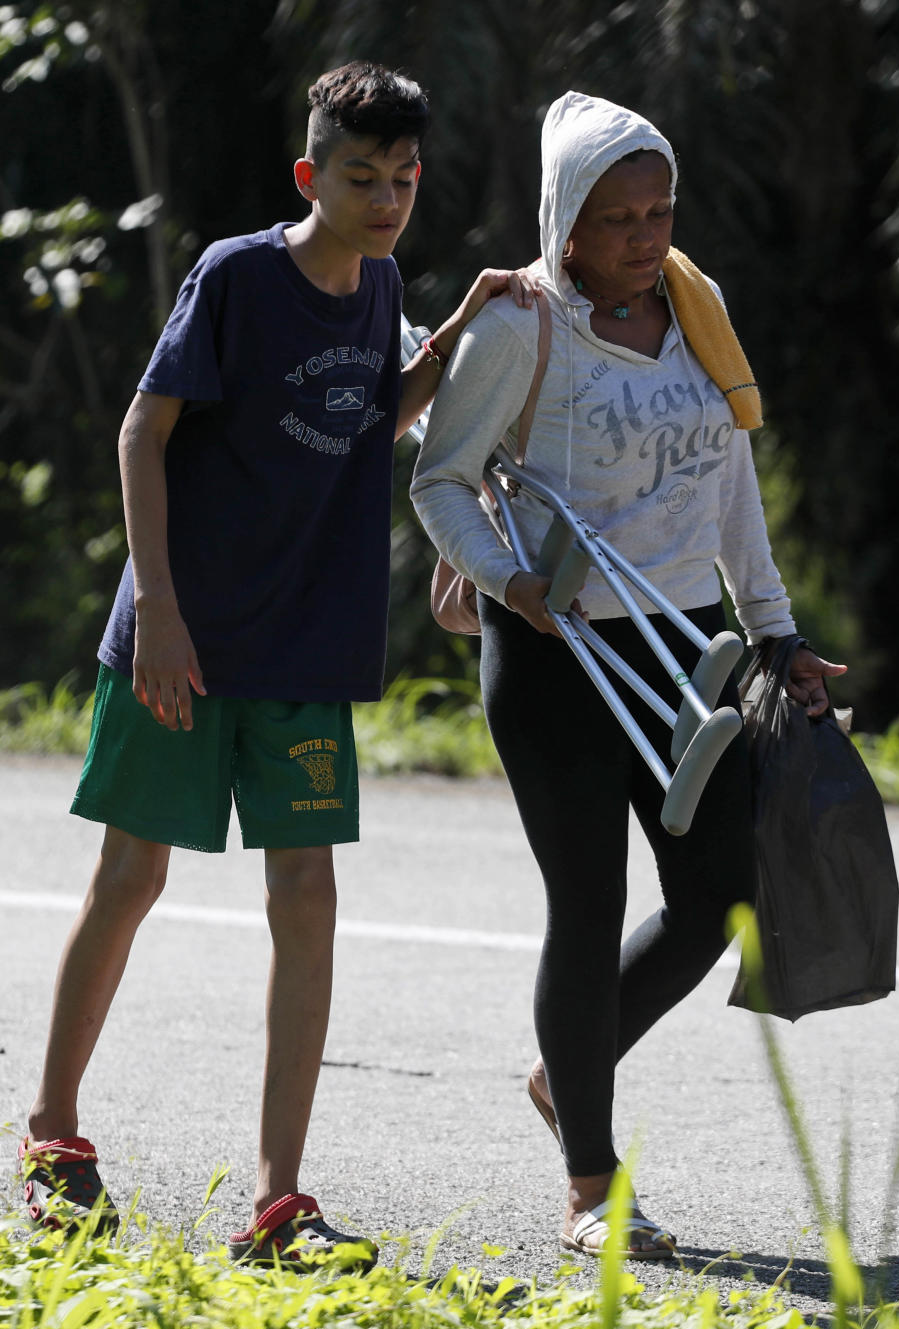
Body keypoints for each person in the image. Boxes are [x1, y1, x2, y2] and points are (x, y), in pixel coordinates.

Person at [19, 60, 534, 1266]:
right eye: (363, 178)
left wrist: (456, 329)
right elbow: (143, 429)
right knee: (128, 882)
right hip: (183, 642)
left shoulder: (385, 283)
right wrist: (158, 608)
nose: (388, 198)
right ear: (312, 175)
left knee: (307, 903)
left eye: (405, 179)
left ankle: (278, 1200)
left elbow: (372, 415)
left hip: (305, 644)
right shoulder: (239, 277)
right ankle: (51, 1140)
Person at [411, 91, 846, 1260]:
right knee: (587, 903)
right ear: (565, 221)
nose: (646, 238)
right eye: (617, 219)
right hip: (556, 651)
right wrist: (509, 584)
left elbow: (730, 488)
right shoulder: (521, 328)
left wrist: (777, 632)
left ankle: (569, 1072)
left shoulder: (694, 306)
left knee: (717, 898)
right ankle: (593, 1186)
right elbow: (442, 478)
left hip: (684, 642)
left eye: (659, 212)